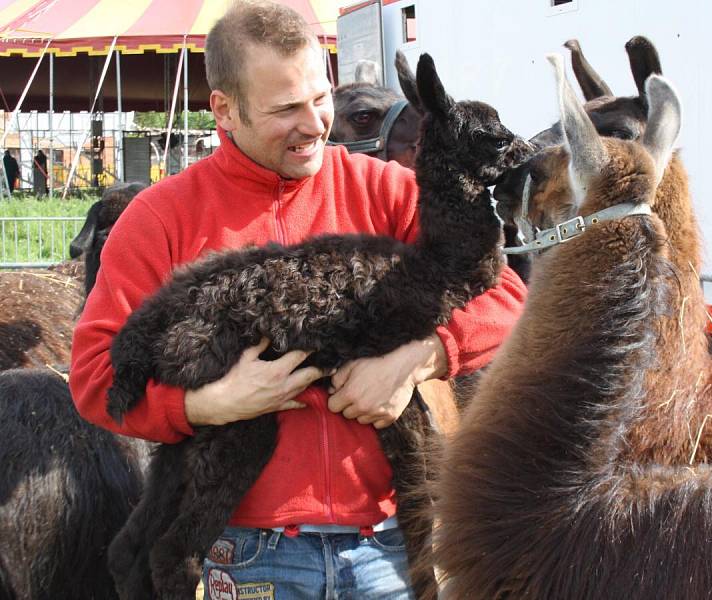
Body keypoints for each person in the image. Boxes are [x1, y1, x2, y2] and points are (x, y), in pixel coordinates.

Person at [69, 2, 527, 598]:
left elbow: (505, 298)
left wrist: (419, 359)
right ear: (225, 110)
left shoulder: (385, 189)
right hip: (251, 554)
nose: (314, 123)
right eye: (286, 109)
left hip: (383, 548)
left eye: (320, 98)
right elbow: (95, 379)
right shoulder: (160, 218)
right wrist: (207, 406)